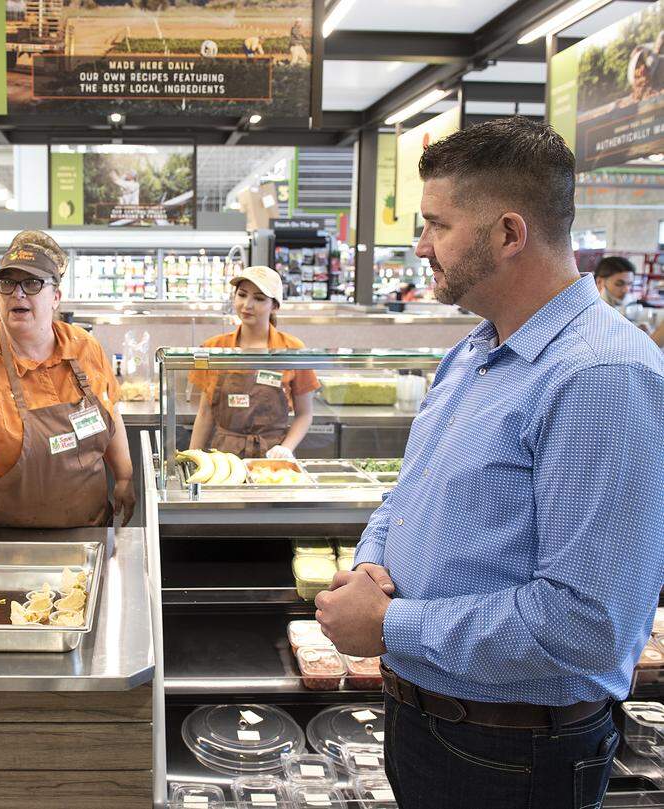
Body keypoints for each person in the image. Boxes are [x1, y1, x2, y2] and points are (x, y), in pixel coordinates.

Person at [313, 118, 664, 809]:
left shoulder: (601, 377)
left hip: (513, 753)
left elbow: (586, 627)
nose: (420, 247)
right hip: (429, 723)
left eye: (436, 225)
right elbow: (411, 494)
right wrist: (372, 564)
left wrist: (388, 626)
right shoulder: (474, 351)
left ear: (508, 234)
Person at [0, 230, 134, 528]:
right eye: (7, 283)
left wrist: (125, 476)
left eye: (31, 283)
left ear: (56, 297)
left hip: (83, 529)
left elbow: (110, 412)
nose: (18, 293)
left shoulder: (85, 348)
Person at [188, 266, 318, 459]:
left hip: (273, 457)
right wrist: (191, 459)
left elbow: (305, 414)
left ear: (274, 306)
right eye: (242, 295)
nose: (247, 305)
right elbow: (205, 414)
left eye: (259, 298)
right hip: (224, 457)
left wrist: (286, 448)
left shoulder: (292, 349)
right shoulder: (215, 347)